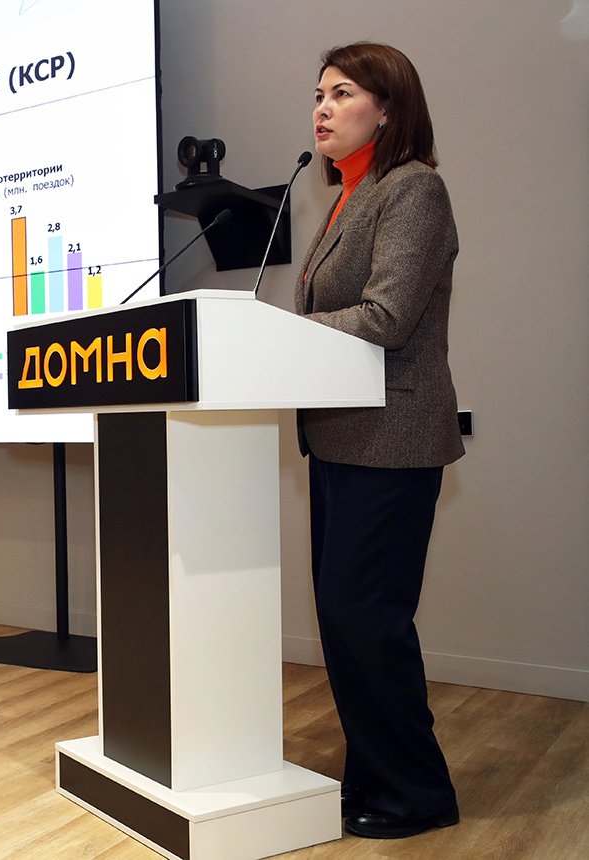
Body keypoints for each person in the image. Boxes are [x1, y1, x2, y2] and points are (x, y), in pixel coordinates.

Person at [296, 42, 464, 840]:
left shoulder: (413, 189)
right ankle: (374, 778)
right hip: (338, 438)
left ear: (389, 109)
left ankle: (418, 793)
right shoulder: (346, 197)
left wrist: (283, 335)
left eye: (342, 93)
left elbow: (387, 317)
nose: (322, 108)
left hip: (392, 438)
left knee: (369, 620)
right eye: (318, 95)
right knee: (345, 621)